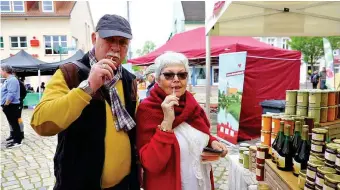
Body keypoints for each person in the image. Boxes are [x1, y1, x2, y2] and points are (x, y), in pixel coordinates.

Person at [30, 14, 140, 190]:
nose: (116, 47)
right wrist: (88, 87)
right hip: (79, 183)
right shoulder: (69, 73)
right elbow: (40, 122)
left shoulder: (129, 80)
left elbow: (135, 128)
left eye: (123, 42)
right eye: (109, 39)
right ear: (94, 38)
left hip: (124, 184)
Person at [136, 52, 228, 190]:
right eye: (168, 75)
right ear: (157, 80)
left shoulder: (191, 103)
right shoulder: (147, 109)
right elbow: (151, 164)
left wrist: (212, 141)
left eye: (182, 75)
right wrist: (167, 122)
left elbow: (197, 130)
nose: (176, 79)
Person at [0, 65, 23, 148]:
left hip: (11, 105)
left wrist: (6, 105)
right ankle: (15, 138)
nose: (0, 72)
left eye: (1, 70)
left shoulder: (12, 80)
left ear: (5, 71)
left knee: (14, 123)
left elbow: (11, 94)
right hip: (9, 105)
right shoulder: (8, 80)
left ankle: (18, 141)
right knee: (12, 123)